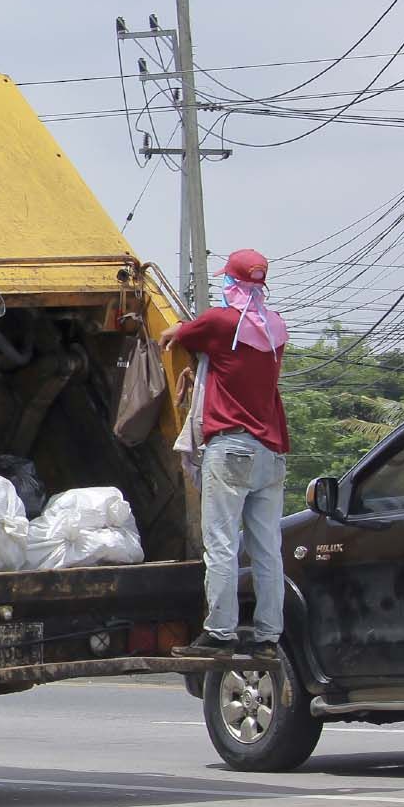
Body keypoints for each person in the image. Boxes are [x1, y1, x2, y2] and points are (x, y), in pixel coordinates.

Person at [158, 248, 289, 661]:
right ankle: (269, 637)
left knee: (220, 543)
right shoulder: (275, 330)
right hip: (271, 453)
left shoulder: (219, 322)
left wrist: (179, 334)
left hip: (231, 447)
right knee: (267, 548)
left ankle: (219, 631)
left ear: (230, 282)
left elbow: (173, 335)